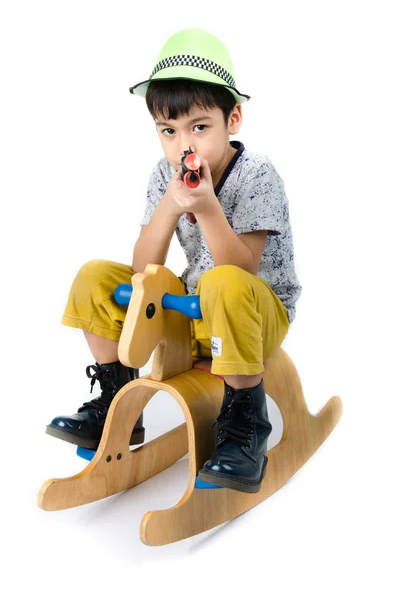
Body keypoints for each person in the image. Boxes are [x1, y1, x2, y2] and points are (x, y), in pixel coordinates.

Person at [46, 28, 302, 494]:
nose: (184, 145)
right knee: (95, 278)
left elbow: (241, 269)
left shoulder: (258, 175)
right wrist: (170, 202)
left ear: (234, 118)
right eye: (169, 131)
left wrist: (205, 206)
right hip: (196, 303)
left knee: (223, 283)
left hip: (255, 310)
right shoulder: (166, 173)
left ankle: (246, 426)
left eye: (199, 127)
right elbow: (145, 267)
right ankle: (116, 396)